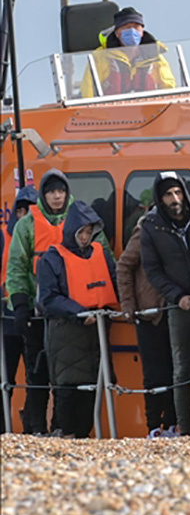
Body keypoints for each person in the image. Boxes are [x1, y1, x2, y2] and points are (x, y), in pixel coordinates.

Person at [6, 170, 111, 434]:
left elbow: (105, 261)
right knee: (37, 374)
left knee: (70, 377)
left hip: (75, 315)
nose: (56, 195)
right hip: (39, 311)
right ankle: (36, 429)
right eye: (51, 191)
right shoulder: (27, 225)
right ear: (43, 194)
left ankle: (62, 429)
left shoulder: (82, 221)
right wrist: (21, 305)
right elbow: (17, 266)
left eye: (60, 191)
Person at [139, 172, 190, 435]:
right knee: (182, 368)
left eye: (177, 192)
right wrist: (176, 296)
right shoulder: (151, 227)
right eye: (168, 194)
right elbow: (152, 269)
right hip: (180, 304)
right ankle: (185, 429)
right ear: (160, 199)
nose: (175, 199)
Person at [36, 202, 119, 439]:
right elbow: (48, 299)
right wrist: (78, 313)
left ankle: (80, 440)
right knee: (67, 392)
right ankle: (66, 437)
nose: (84, 237)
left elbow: (115, 281)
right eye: (81, 231)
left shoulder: (101, 254)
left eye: (88, 231)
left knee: (91, 394)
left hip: (96, 335)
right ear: (71, 230)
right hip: (66, 335)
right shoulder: (52, 259)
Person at [116, 208, 178, 437]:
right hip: (149, 312)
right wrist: (129, 306)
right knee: (154, 374)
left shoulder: (177, 227)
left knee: (176, 371)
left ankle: (172, 424)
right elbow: (123, 266)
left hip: (172, 309)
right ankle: (153, 427)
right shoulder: (143, 230)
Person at [80, 7, 177, 98]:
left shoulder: (155, 56)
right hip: (110, 112)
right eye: (127, 27)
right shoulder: (101, 56)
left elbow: (169, 86)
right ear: (117, 33)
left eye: (136, 27)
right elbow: (88, 89)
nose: (132, 31)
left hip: (149, 111)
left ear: (142, 31)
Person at [2, 185, 38, 426]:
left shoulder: (43, 239)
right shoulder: (3, 238)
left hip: (34, 315)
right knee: (5, 379)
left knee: (36, 378)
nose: (25, 215)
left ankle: (32, 427)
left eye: (31, 210)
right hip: (6, 319)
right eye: (22, 210)